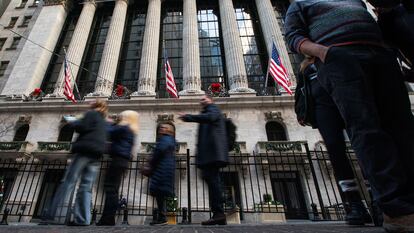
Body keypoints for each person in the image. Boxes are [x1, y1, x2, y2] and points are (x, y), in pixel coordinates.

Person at [285, 1, 414, 232]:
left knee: (403, 130)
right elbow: (293, 37)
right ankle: (395, 209)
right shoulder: (300, 4)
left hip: (381, 56)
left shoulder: (355, 1)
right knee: (367, 132)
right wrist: (324, 52)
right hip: (341, 59)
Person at [298, 57, 372, 225]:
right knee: (334, 149)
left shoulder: (337, 54)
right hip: (322, 108)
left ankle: (376, 198)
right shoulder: (305, 67)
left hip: (350, 99)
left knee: (363, 145)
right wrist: (301, 111)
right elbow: (301, 90)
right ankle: (354, 203)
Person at [41, 99, 108, 226]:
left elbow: (82, 127)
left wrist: (73, 122)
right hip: (96, 155)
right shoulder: (103, 120)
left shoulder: (91, 114)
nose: (90, 102)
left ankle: (51, 215)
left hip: (84, 151)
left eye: (92, 102)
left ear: (95, 105)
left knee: (68, 182)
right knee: (86, 187)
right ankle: (83, 219)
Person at [179, 95, 229, 225]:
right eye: (201, 99)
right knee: (212, 182)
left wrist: (189, 117)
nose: (202, 101)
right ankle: (219, 213)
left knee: (214, 183)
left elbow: (210, 118)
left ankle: (219, 213)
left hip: (213, 154)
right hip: (210, 154)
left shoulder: (213, 109)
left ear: (211, 100)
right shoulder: (208, 111)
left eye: (205, 98)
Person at [96, 110, 139, 226]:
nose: (119, 117)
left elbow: (110, 132)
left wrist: (108, 122)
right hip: (122, 161)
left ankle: (108, 218)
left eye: (122, 116)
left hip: (118, 160)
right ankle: (108, 218)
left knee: (111, 189)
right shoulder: (131, 129)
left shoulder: (124, 128)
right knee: (112, 189)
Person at [148, 122, 176, 226]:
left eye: (164, 128)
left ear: (169, 130)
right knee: (166, 194)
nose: (161, 129)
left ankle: (164, 217)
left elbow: (158, 152)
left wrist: (151, 162)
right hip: (166, 169)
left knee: (163, 194)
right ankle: (168, 217)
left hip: (162, 170)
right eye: (160, 127)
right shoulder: (170, 140)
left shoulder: (165, 140)